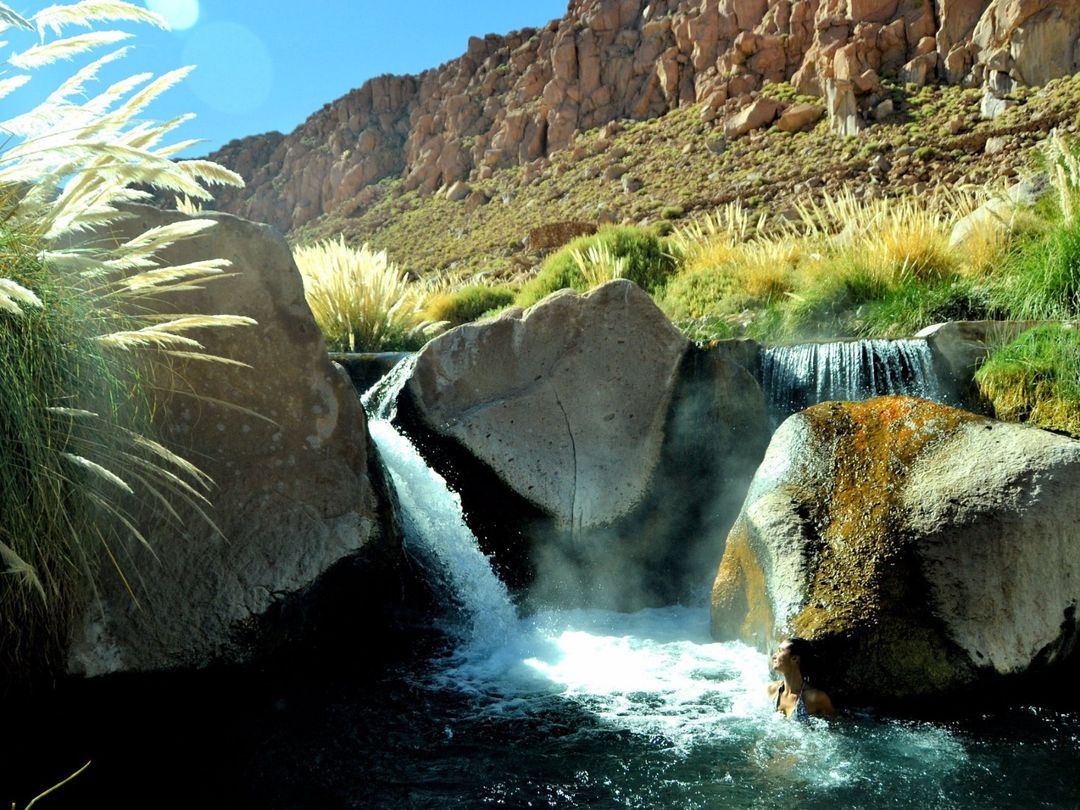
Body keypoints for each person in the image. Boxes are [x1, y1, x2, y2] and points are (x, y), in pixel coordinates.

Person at [767, 637, 835, 721]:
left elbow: (835, 727)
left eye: (780, 651)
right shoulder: (772, 690)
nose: (774, 656)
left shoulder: (815, 698)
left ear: (795, 659)